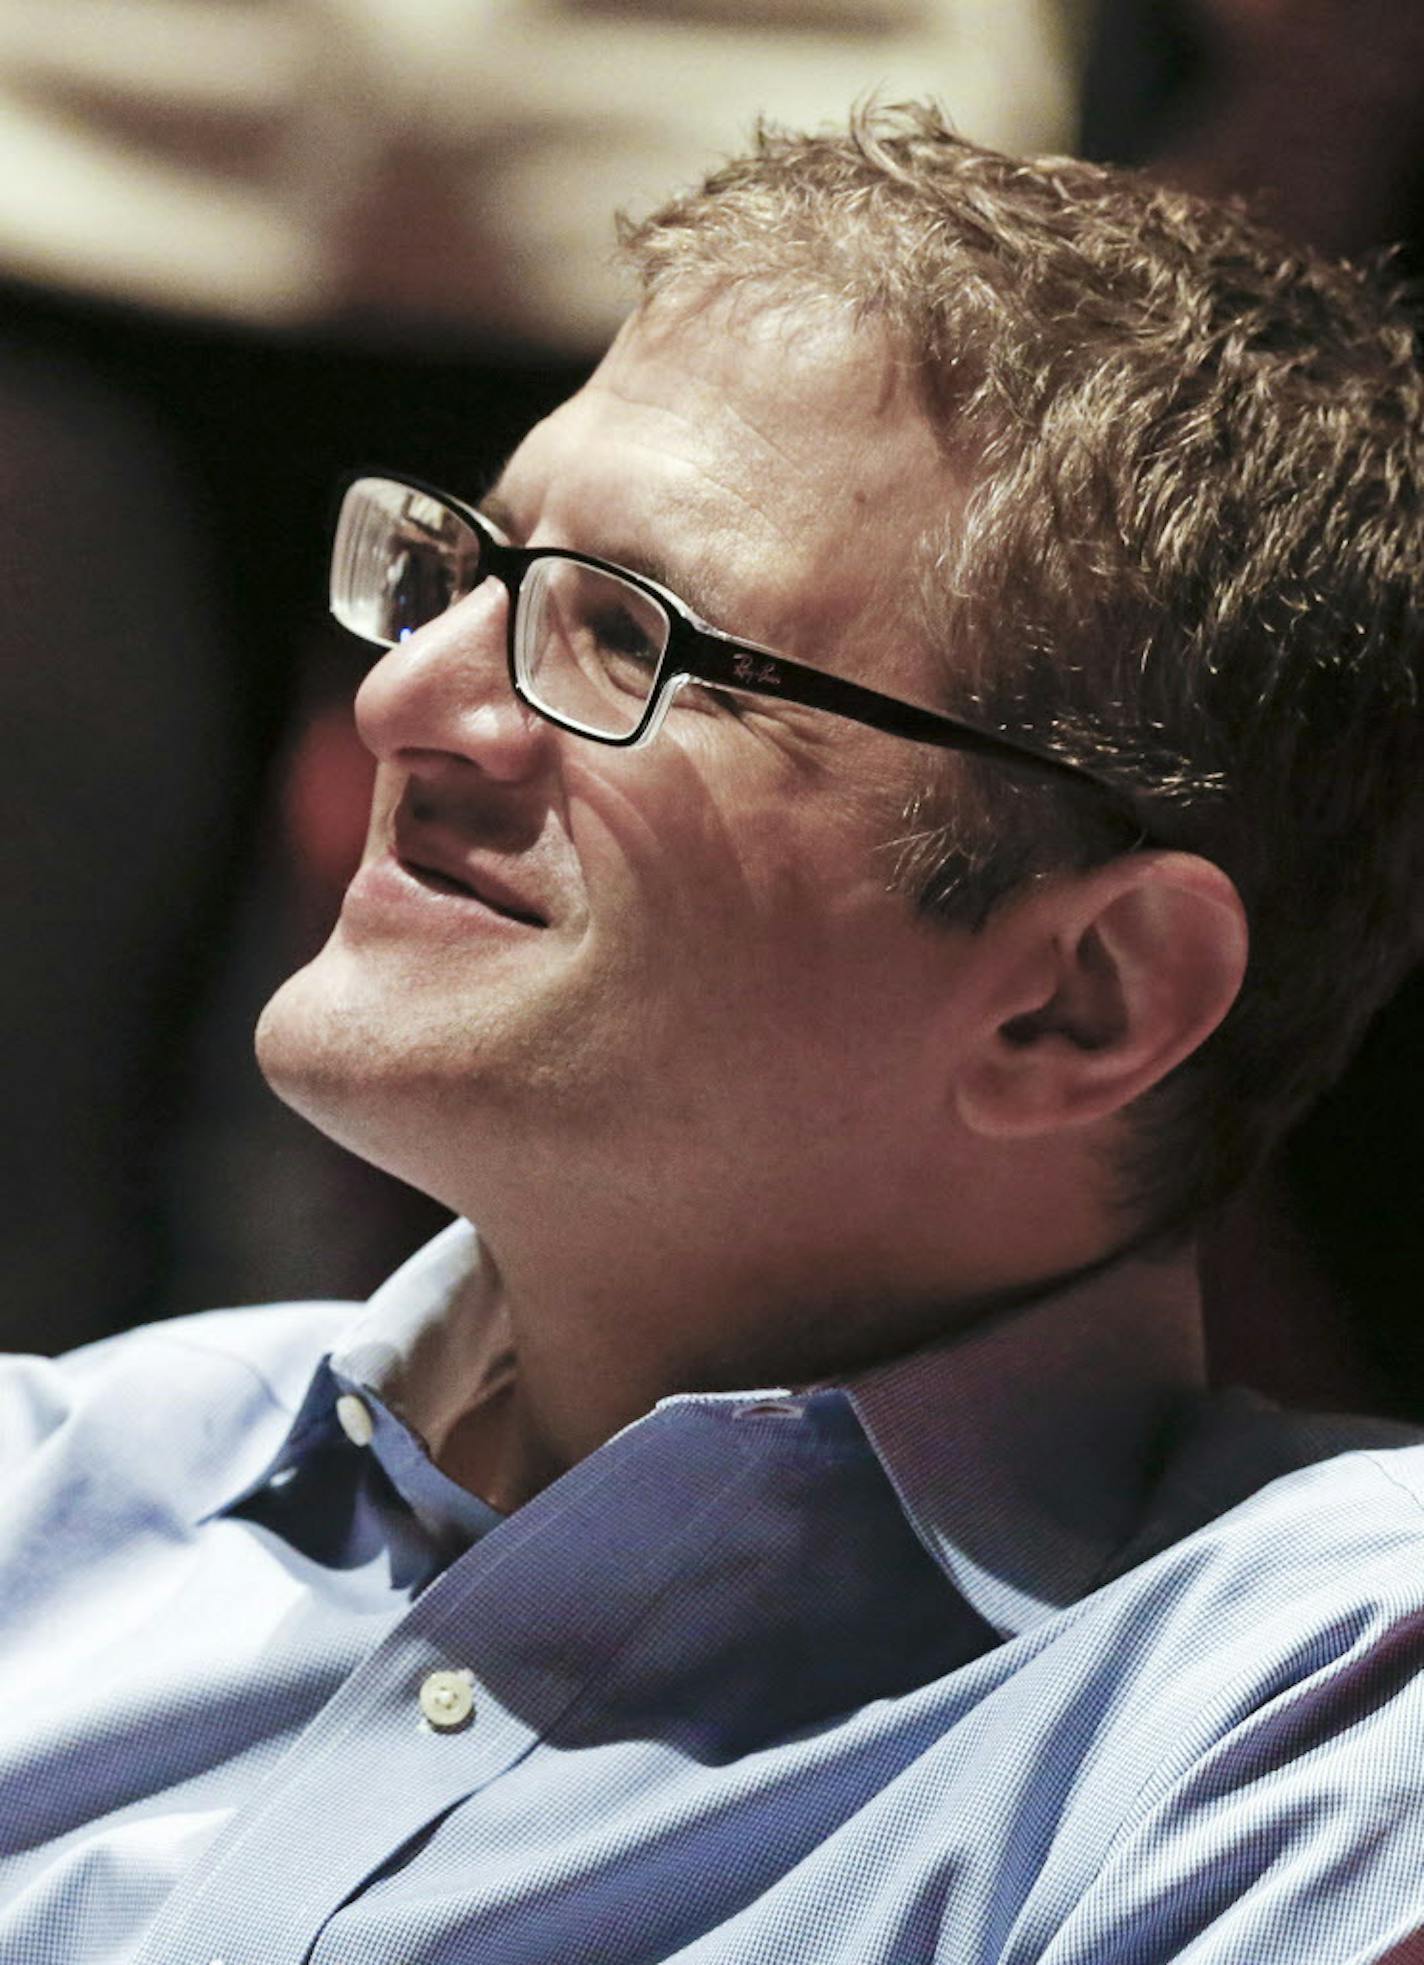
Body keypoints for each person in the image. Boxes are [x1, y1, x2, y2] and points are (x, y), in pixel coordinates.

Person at [5, 102, 1424, 1964]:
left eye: (633, 637)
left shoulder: (1291, 1705)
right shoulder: (58, 1482)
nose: (413, 691)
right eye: (478, 569)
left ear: (1085, 996)